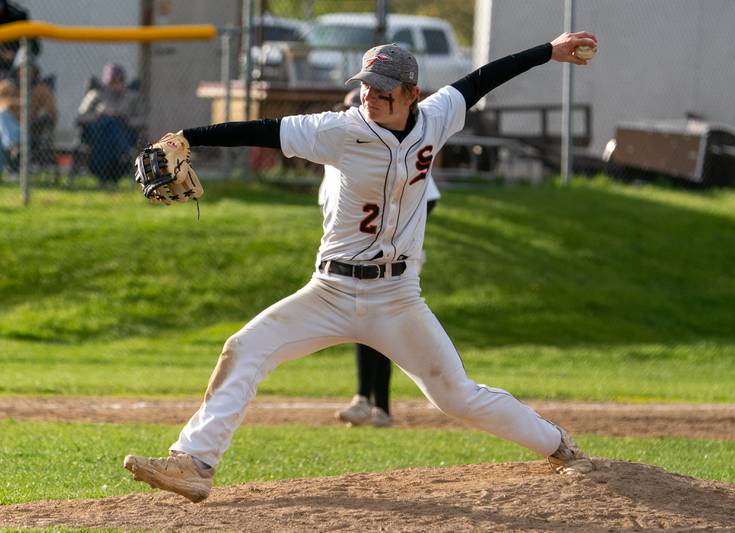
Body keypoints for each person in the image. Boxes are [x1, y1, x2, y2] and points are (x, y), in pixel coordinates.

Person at [124, 30, 599, 503]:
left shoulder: (436, 118)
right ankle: (195, 463)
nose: (371, 95)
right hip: (328, 292)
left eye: (383, 88)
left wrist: (548, 51)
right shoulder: (340, 130)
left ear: (413, 94)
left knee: (455, 395)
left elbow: (482, 79)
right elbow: (264, 128)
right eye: (367, 85)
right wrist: (189, 137)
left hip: (397, 299)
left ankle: (558, 446)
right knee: (244, 348)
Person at [327, 87, 441, 428]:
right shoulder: (338, 160)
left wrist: (393, 236)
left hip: (393, 261)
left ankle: (382, 407)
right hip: (351, 261)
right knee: (366, 331)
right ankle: (366, 401)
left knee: (381, 331)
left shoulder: (402, 153)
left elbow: (428, 198)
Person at [76, 63, 143, 185]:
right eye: (113, 81)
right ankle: (123, 153)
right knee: (108, 122)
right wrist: (98, 116)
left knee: (113, 123)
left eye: (119, 81)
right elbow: (81, 117)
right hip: (98, 137)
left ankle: (105, 175)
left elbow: (142, 120)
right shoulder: (96, 95)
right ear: (107, 81)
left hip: (124, 134)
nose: (116, 85)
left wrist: (125, 118)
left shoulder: (132, 97)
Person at [0, 48, 57, 173]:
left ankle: (14, 157)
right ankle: (14, 147)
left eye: (29, 68)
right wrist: (20, 104)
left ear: (35, 71)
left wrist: (37, 117)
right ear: (17, 70)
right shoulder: (6, 86)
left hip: (29, 130)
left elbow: (52, 113)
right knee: (2, 115)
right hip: (6, 130)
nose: (25, 72)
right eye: (22, 68)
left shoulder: (42, 89)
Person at [0, 0, 40, 77]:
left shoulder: (17, 16)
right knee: (4, 87)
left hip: (15, 65)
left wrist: (15, 55)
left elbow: (35, 48)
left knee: (42, 86)